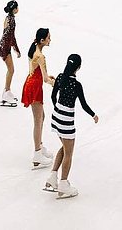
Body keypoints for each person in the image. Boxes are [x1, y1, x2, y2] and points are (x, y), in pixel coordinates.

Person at [46, 54, 99, 199]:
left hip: (56, 117)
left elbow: (52, 96)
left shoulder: (60, 77)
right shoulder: (76, 85)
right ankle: (63, 183)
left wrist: (58, 108)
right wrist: (94, 115)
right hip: (66, 121)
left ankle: (52, 176)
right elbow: (83, 104)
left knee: (64, 147)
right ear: (79, 67)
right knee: (69, 152)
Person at [21, 28, 55, 169]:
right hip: (34, 87)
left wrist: (48, 77)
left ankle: (39, 146)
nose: (50, 40)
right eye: (48, 38)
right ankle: (37, 154)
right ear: (42, 40)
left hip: (32, 83)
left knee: (42, 117)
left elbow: (41, 74)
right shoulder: (40, 56)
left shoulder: (34, 47)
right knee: (38, 120)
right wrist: (57, 83)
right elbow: (46, 79)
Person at [0, 0, 21, 108]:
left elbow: (9, 36)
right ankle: (6, 93)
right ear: (14, 9)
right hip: (5, 47)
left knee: (11, 70)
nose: (18, 9)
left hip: (4, 45)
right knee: (11, 70)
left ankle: (7, 91)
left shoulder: (9, 18)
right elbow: (11, 37)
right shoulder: (11, 21)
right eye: (17, 7)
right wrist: (16, 49)